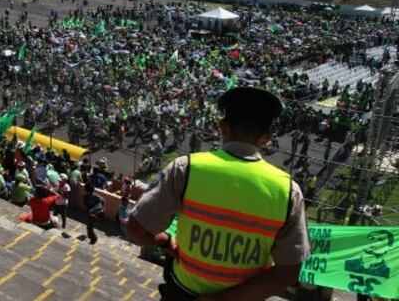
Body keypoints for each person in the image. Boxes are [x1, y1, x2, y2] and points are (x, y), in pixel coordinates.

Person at [128, 87, 310, 301]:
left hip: (182, 293)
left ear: (223, 127)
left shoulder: (187, 168)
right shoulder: (288, 190)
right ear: (267, 138)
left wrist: (167, 242)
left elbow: (136, 228)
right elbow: (288, 271)